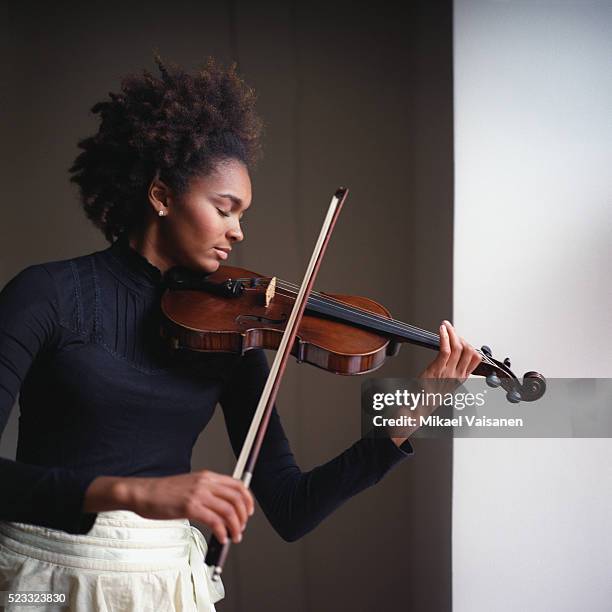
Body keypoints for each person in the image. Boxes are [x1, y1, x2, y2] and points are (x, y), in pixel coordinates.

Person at [0, 56, 481, 611]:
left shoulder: (230, 328)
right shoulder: (44, 294)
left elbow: (293, 508)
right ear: (161, 195)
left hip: (166, 588)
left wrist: (406, 418)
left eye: (242, 213)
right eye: (224, 208)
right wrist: (131, 492)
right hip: (43, 582)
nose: (238, 229)